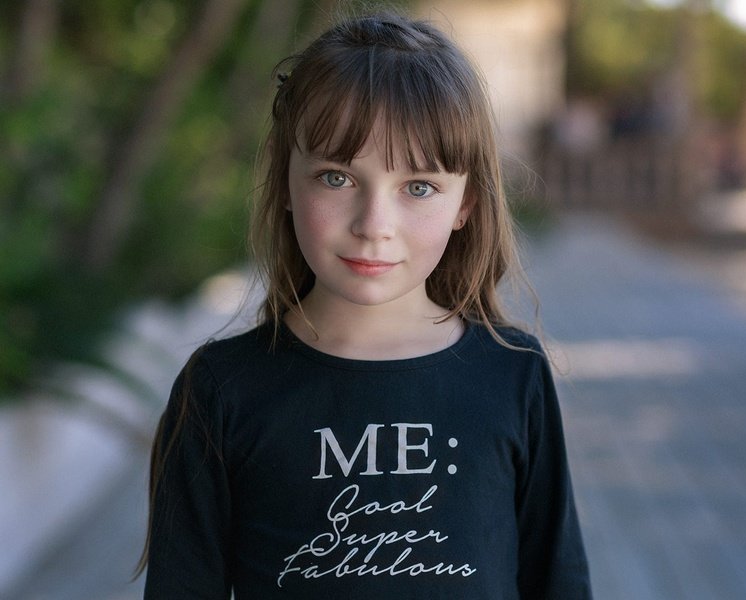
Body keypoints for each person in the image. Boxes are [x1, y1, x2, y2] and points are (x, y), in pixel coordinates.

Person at [139, 10, 592, 600]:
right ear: (283, 185)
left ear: (466, 205)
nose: (374, 226)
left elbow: (559, 583)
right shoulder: (221, 391)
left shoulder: (514, 374)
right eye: (336, 178)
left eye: (419, 187)